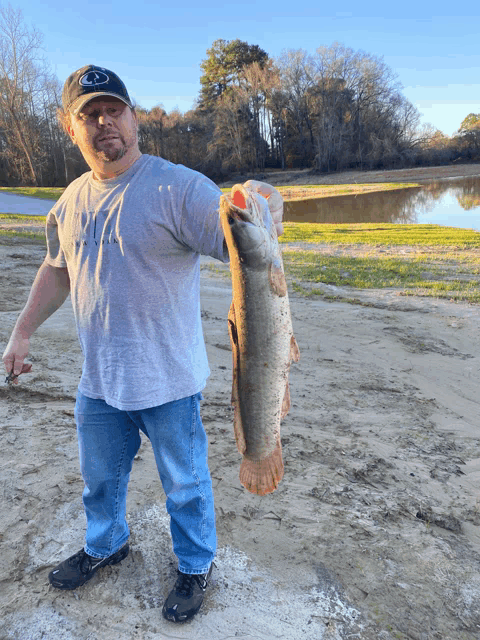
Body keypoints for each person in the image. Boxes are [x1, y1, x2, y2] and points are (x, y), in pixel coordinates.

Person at [2, 64, 284, 624]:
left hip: (169, 382)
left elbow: (237, 235)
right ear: (71, 127)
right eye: (90, 114)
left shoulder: (176, 187)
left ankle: (196, 564)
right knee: (99, 480)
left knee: (186, 485)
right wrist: (22, 330)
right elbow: (57, 269)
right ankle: (107, 544)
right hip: (100, 382)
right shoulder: (69, 202)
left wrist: (263, 203)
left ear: (134, 118)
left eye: (114, 110)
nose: (105, 122)